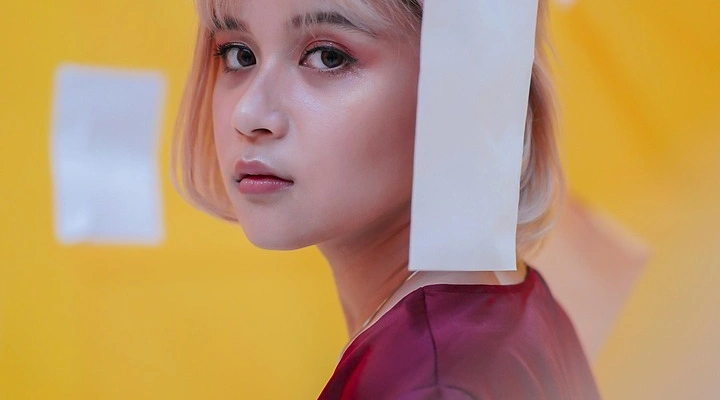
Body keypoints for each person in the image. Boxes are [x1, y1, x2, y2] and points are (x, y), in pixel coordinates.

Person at [173, 0, 602, 398]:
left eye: (328, 57)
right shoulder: (500, 310)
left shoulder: (433, 383)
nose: (248, 114)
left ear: (465, 83)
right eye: (239, 55)